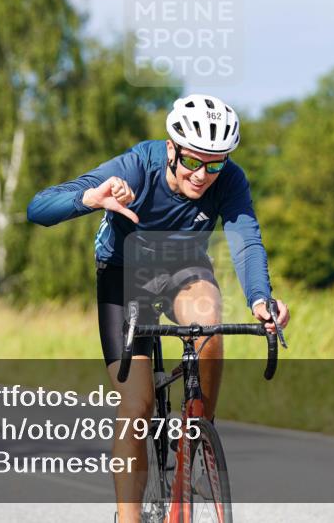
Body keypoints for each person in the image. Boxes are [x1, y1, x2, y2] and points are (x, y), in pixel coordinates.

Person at [26, 94, 289, 522]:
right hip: (124, 274)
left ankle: (200, 439)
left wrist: (261, 299)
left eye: (215, 163)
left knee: (209, 321)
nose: (203, 175)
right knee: (137, 405)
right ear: (172, 148)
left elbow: (247, 241)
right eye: (193, 161)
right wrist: (92, 198)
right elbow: (38, 208)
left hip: (184, 267)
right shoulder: (136, 167)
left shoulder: (230, 179)